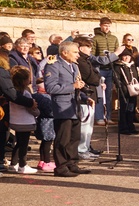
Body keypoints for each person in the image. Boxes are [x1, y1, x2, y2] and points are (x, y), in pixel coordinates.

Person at [43, 40, 91, 178]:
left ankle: (72, 163)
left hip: (74, 105)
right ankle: (61, 167)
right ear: (64, 53)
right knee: (62, 139)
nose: (78, 55)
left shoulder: (74, 66)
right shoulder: (53, 65)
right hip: (62, 107)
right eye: (75, 52)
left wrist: (84, 97)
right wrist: (73, 86)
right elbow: (51, 87)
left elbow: (77, 86)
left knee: (74, 138)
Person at [76, 36, 124, 159]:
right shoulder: (81, 61)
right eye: (88, 47)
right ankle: (81, 150)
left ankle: (86, 147)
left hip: (92, 93)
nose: (90, 50)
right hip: (85, 95)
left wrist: (99, 81)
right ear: (82, 48)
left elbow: (95, 73)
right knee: (84, 125)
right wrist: (98, 80)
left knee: (88, 127)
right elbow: (91, 76)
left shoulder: (86, 59)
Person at [6, 65, 40, 173]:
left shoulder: (12, 93)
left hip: (15, 121)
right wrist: (38, 112)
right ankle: (22, 165)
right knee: (23, 144)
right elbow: (31, 108)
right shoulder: (26, 93)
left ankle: (13, 164)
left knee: (18, 143)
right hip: (25, 122)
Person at [92, 18, 119, 124]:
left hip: (111, 69)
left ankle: (108, 117)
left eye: (108, 25)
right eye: (105, 25)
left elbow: (117, 53)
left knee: (109, 94)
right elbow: (92, 55)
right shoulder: (95, 38)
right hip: (100, 69)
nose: (107, 27)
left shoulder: (114, 38)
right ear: (100, 25)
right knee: (99, 94)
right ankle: (99, 117)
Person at [113, 51, 139, 135]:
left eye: (128, 56)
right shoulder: (118, 66)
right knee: (123, 109)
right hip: (124, 91)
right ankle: (123, 127)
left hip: (133, 90)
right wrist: (122, 87)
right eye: (124, 56)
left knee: (131, 109)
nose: (126, 58)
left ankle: (131, 126)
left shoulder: (133, 66)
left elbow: (136, 76)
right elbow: (116, 78)